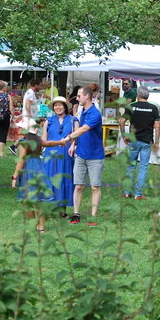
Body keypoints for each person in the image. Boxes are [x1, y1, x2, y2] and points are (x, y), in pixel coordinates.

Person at [63, 86, 104, 226]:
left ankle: (93, 217)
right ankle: (76, 214)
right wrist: (73, 144)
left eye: (79, 96)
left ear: (87, 96)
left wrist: (68, 138)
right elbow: (80, 130)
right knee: (78, 186)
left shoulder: (95, 114)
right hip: (80, 154)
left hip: (95, 156)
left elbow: (84, 129)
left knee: (95, 187)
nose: (77, 98)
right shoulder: (83, 112)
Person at [11, 119, 54, 233]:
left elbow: (21, 161)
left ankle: (31, 225)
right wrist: (62, 142)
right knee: (40, 200)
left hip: (28, 172)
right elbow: (49, 143)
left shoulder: (23, 142)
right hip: (40, 171)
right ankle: (41, 226)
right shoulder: (38, 141)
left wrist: (14, 176)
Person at [119, 85, 160, 200]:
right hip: (146, 141)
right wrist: (157, 142)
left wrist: (124, 136)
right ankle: (138, 194)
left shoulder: (131, 106)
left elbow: (121, 121)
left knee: (131, 166)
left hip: (133, 140)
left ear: (138, 95)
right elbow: (157, 127)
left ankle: (127, 192)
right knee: (143, 167)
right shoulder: (153, 108)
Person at [42, 96, 78, 217]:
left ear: (65, 106)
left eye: (60, 105)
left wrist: (74, 146)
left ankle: (62, 211)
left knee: (65, 180)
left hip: (67, 155)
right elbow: (43, 139)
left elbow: (76, 137)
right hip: (51, 155)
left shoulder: (73, 120)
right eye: (55, 105)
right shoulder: (49, 121)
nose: (58, 107)